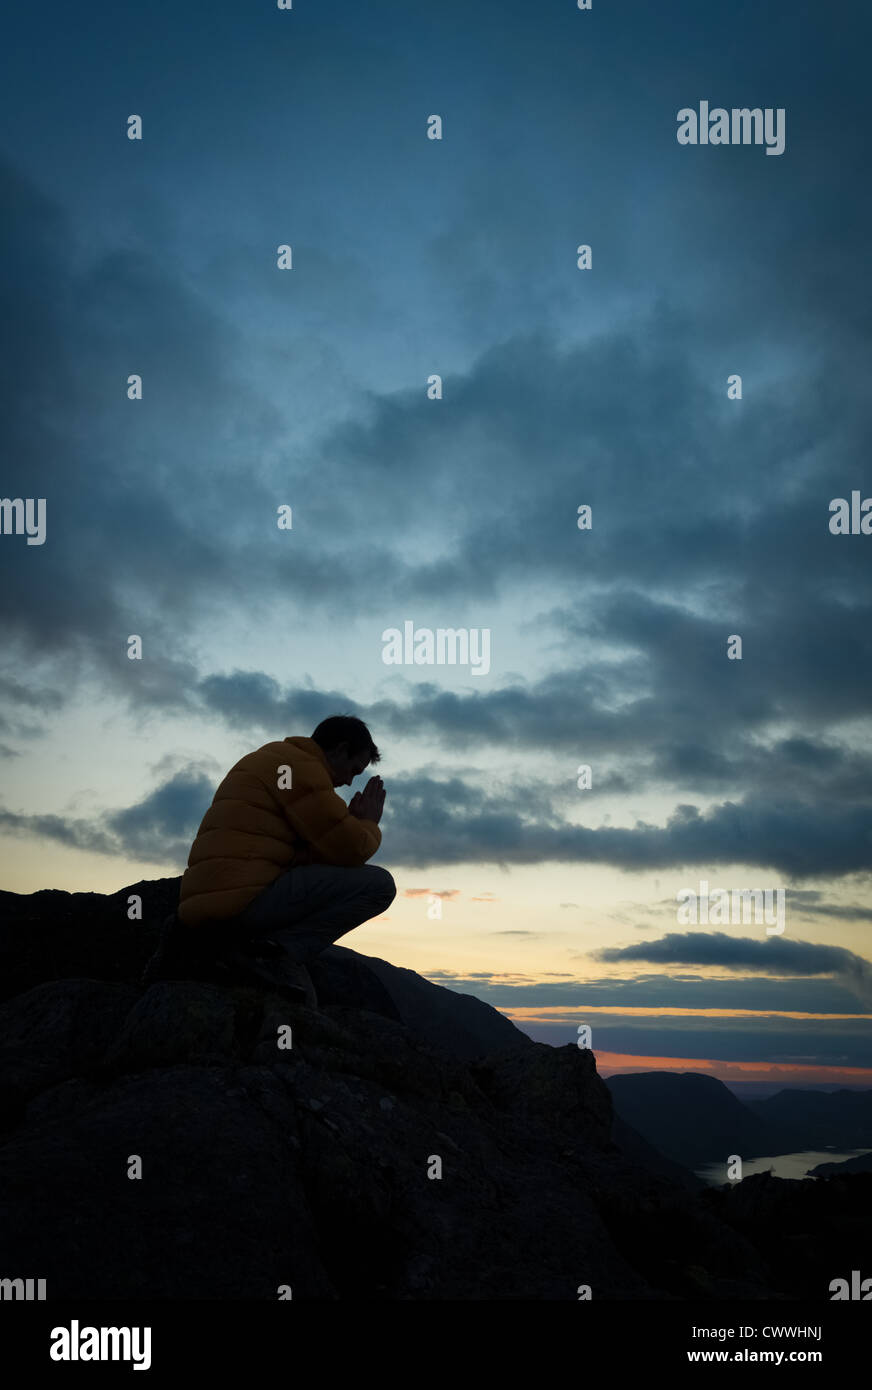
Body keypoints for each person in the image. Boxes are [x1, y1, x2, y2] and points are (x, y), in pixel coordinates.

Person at [142, 715, 394, 1002]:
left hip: (208, 902)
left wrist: (345, 823)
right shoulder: (301, 770)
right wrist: (368, 823)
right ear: (339, 749)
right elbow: (352, 849)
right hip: (240, 905)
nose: (349, 781)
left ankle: (252, 950)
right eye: (353, 769)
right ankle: (274, 952)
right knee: (379, 885)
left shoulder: (272, 758)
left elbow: (309, 850)